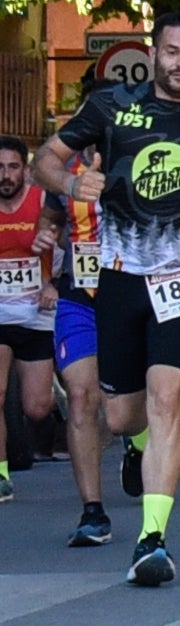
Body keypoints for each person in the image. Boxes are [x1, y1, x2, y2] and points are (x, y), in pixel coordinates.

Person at [32, 10, 180, 586]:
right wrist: (68, 183)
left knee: (168, 398)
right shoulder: (110, 106)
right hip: (121, 274)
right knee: (122, 412)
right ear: (154, 52)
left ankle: (152, 539)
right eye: (172, 52)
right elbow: (45, 160)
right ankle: (136, 445)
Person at [37, 94, 118, 541]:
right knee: (83, 396)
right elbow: (48, 223)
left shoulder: (135, 165)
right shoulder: (62, 174)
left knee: (124, 410)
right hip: (78, 297)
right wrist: (46, 253)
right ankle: (93, 510)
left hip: (127, 298)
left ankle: (135, 445)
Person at [0, 136, 58, 504]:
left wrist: (52, 282)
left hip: (37, 313)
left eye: (12, 167)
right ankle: (1, 472)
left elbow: (68, 244)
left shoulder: (42, 203)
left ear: (26, 169)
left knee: (37, 406)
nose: (4, 175)